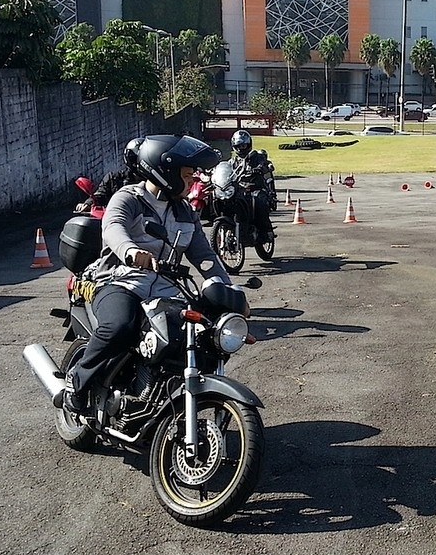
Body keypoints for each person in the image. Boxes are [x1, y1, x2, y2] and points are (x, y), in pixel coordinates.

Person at [64, 134, 244, 415]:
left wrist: (226, 288)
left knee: (205, 335)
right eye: (187, 175)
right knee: (119, 327)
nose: (192, 181)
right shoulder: (128, 198)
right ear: (167, 172)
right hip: (120, 281)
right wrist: (131, 252)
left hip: (166, 290)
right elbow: (113, 228)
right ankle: (76, 384)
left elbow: (204, 256)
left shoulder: (185, 211)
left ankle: (161, 396)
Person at [228, 130, 277, 243]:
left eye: (244, 145)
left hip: (256, 188)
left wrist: (260, 168)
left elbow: (264, 163)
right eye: (239, 146)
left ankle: (267, 231)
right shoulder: (233, 161)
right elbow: (226, 169)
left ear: (249, 145)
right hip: (240, 189)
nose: (241, 148)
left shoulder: (256, 156)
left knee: (258, 202)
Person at [74, 138, 144, 213]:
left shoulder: (154, 181)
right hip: (117, 218)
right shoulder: (114, 178)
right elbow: (100, 195)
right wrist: (88, 203)